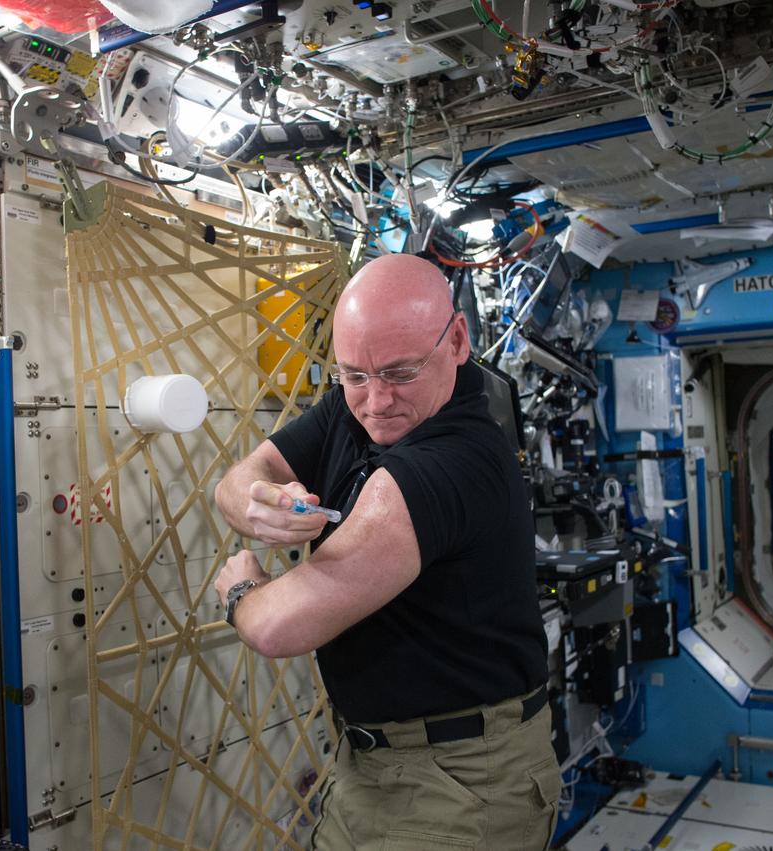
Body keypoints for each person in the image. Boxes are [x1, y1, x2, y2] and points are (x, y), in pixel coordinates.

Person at [213, 253, 560, 850]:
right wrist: (256, 501)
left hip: (460, 785)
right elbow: (244, 474)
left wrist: (243, 589)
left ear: (456, 339)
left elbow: (277, 626)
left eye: (400, 374)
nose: (376, 402)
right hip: (371, 763)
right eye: (354, 376)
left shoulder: (448, 464)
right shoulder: (362, 407)